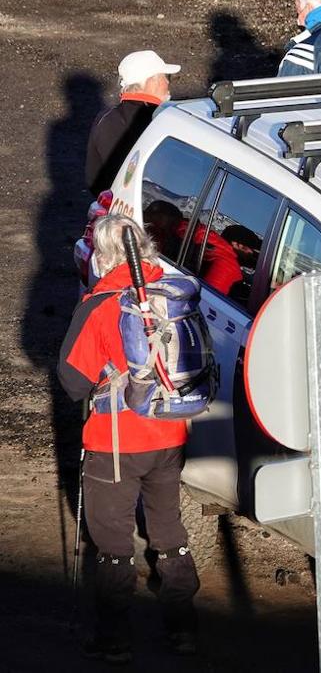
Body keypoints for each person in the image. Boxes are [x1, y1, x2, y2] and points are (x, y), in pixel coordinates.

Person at [58, 215, 200, 662]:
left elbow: (73, 382)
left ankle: (114, 640)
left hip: (116, 442)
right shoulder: (173, 290)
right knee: (169, 531)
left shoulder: (100, 304)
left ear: (103, 255)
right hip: (171, 431)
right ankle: (183, 631)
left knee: (114, 544)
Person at [85, 50, 179, 195]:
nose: (168, 83)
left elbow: (93, 178)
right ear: (151, 82)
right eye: (166, 77)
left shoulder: (105, 118)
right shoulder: (164, 120)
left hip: (111, 207)